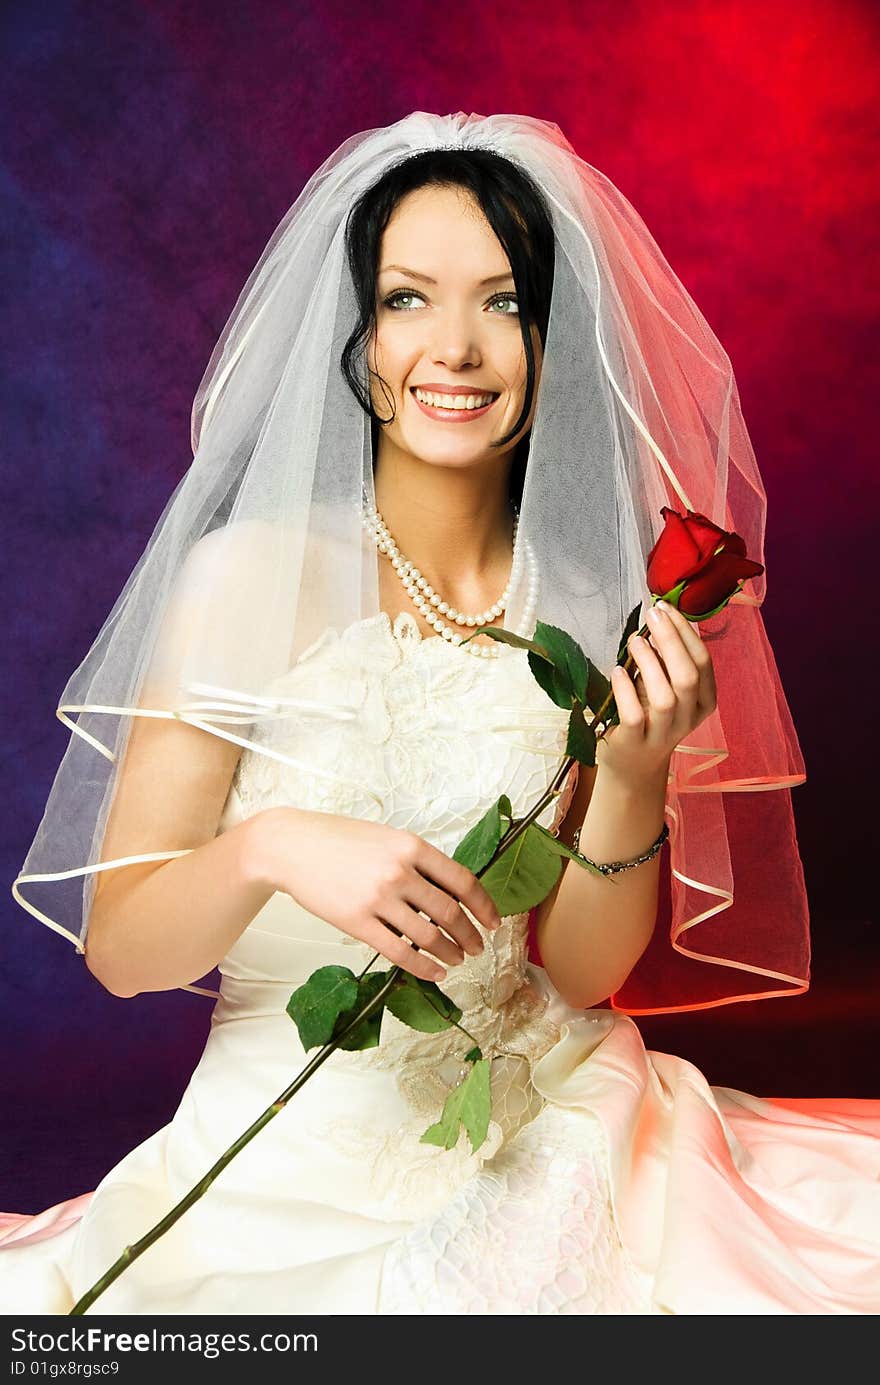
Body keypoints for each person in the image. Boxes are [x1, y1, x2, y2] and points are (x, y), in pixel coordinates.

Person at [3, 111, 879, 1316]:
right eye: (408, 299)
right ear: (358, 338)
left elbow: (575, 970)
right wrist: (275, 846)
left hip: (557, 1117)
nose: (454, 348)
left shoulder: (585, 599)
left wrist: (628, 772)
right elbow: (123, 949)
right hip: (286, 1150)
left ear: (555, 341)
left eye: (506, 303)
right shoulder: (246, 576)